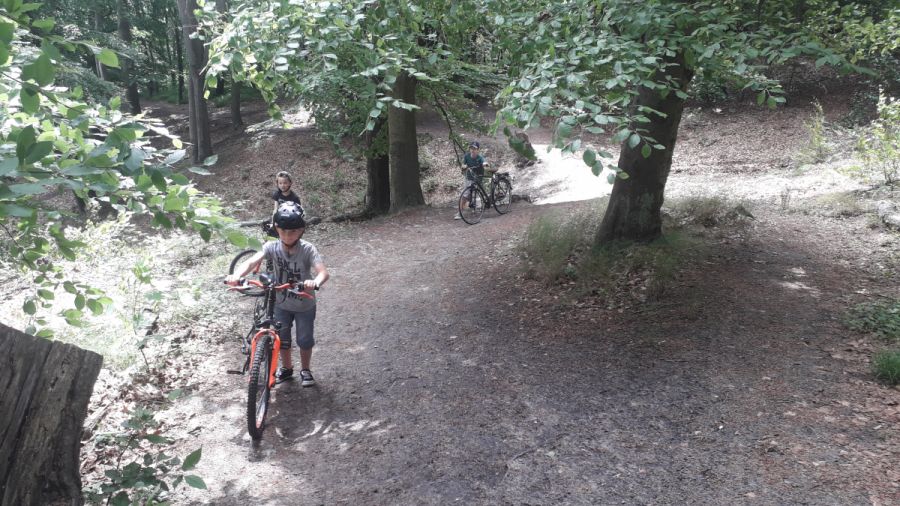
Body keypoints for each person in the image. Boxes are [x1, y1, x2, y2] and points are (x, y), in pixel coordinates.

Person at [226, 202, 329, 387]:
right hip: (280, 302)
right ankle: (287, 369)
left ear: (301, 230)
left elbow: (323, 272)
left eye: (293, 232)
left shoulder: (307, 249)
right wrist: (237, 275)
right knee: (283, 339)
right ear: (276, 229)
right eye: (283, 231)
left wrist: (315, 282)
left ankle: (305, 370)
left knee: (305, 340)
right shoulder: (271, 246)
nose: (287, 236)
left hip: (304, 304)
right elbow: (251, 262)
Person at [455, 141, 489, 220]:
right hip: (469, 177)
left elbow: (484, 162)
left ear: (478, 150)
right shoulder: (467, 156)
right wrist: (464, 166)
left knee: (478, 192)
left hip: (478, 178)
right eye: (471, 148)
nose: (472, 150)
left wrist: (485, 164)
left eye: (474, 149)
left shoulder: (480, 157)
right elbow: (463, 165)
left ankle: (480, 205)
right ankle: (460, 212)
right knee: (465, 194)